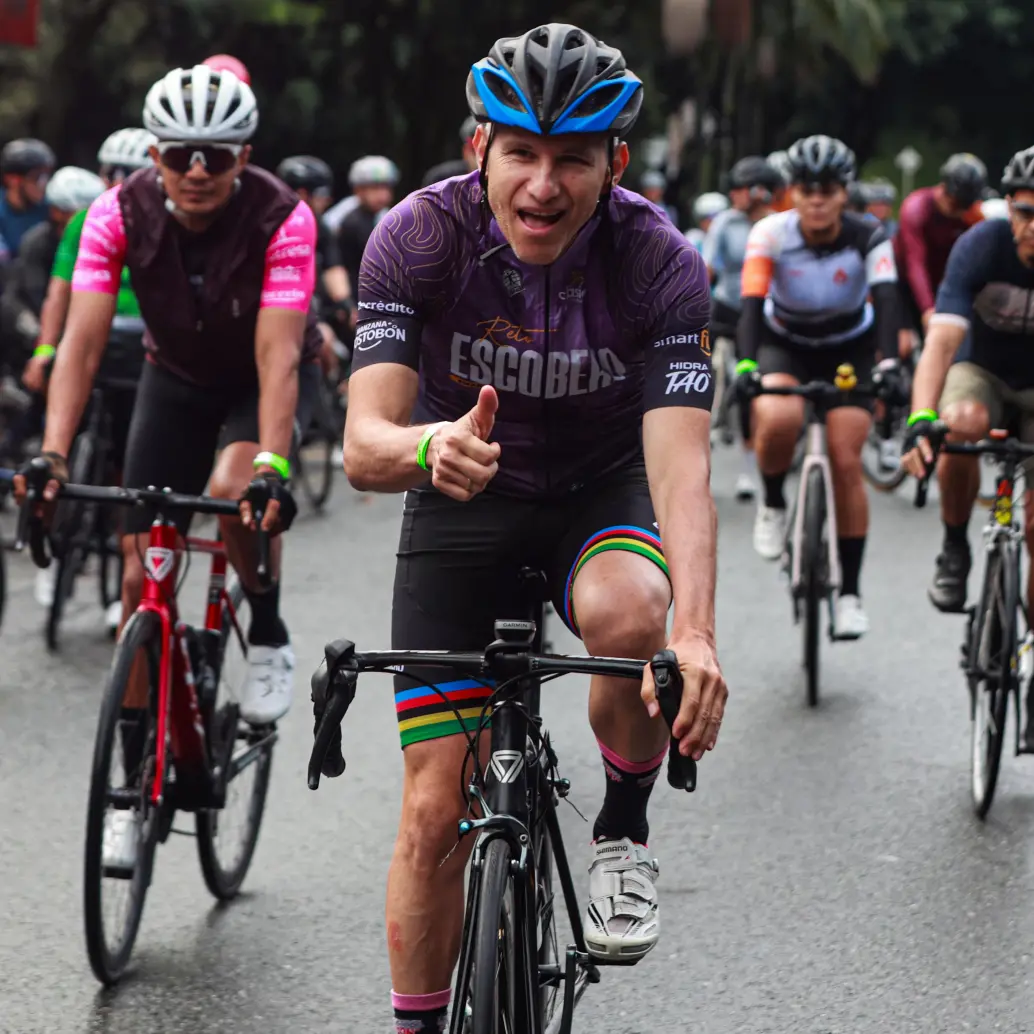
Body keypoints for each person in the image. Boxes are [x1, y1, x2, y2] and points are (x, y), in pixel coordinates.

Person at [342, 22, 726, 1034]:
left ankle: (621, 830)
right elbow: (363, 443)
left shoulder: (659, 262)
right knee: (434, 812)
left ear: (615, 164)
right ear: (480, 149)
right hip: (461, 489)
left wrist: (694, 635)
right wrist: (427, 446)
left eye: (572, 160)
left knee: (632, 612)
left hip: (598, 492)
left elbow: (681, 470)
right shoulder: (419, 237)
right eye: (521, 153)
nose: (543, 186)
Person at [16, 67, 323, 776]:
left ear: (244, 157)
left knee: (235, 488)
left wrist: (274, 468)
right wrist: (54, 454)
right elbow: (82, 345)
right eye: (180, 153)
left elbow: (278, 355)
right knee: (137, 577)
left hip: (258, 378)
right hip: (176, 378)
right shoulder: (115, 212)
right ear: (154, 154)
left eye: (215, 155)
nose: (196, 170)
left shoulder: (283, 216)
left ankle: (268, 630)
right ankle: (132, 776)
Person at [735, 134, 900, 639]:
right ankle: (772, 501)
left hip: (848, 348)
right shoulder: (770, 232)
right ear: (792, 192)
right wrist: (745, 365)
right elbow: (751, 302)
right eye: (806, 189)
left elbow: (887, 300)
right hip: (785, 342)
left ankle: (849, 593)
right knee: (778, 416)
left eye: (828, 190)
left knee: (846, 458)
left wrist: (890, 363)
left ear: (844, 193)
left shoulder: (869, 235)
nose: (817, 200)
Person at [902, 147, 1034, 646]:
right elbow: (941, 341)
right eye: (1025, 211)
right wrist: (920, 417)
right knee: (959, 421)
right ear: (1007, 208)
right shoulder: (981, 244)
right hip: (983, 370)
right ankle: (955, 546)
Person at [24, 130, 155, 623]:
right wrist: (44, 349)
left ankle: (125, 563)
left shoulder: (165, 221)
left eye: (130, 175)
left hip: (141, 355)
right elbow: (59, 293)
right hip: (94, 346)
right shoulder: (87, 220)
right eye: (111, 174)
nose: (118, 183)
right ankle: (51, 542)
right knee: (56, 441)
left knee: (128, 465)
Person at [0, 167, 105, 465]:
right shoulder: (38, 241)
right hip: (27, 318)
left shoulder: (97, 240)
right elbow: (38, 296)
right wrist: (48, 345)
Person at [703, 155, 782, 500]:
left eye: (740, 188)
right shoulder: (725, 222)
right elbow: (706, 268)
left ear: (760, 191)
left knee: (752, 387)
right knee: (698, 367)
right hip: (725, 306)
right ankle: (709, 418)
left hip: (761, 312)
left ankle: (748, 469)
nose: (733, 194)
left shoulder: (778, 225)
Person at [893, 152, 985, 338]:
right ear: (943, 189)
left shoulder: (971, 214)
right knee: (903, 344)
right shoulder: (916, 208)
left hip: (942, 283)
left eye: (965, 206)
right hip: (903, 284)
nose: (959, 212)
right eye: (955, 204)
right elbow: (915, 263)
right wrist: (928, 310)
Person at [275, 154, 354, 348]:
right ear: (302, 194)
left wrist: (346, 303)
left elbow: (332, 266)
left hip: (314, 311)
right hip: (278, 308)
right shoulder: (270, 224)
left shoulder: (320, 225)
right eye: (321, 195)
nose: (326, 201)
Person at [335, 155, 400, 297]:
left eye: (387, 188)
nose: (383, 195)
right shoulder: (352, 222)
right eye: (375, 188)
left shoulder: (384, 216)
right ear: (358, 190)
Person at [0, 138, 55, 270]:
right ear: (12, 179)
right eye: (37, 177)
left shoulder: (50, 209)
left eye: (47, 176)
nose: (44, 184)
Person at [421, 115, 479, 187]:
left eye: (487, 149)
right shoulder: (440, 180)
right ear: (465, 152)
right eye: (475, 148)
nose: (481, 155)